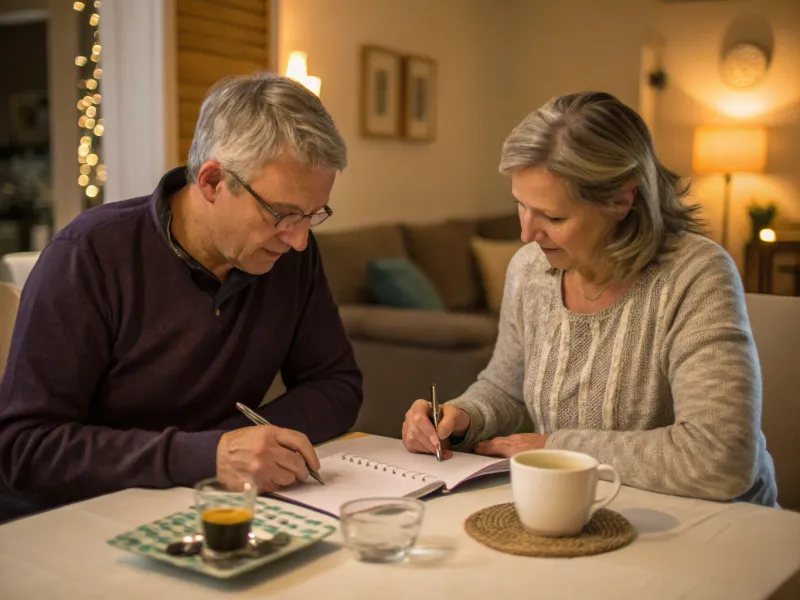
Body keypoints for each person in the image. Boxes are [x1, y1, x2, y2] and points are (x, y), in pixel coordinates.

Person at [0, 72, 363, 523]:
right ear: (211, 182)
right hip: (71, 521)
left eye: (313, 215)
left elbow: (337, 385)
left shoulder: (288, 257)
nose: (299, 241)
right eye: (283, 214)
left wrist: (231, 446)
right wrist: (205, 455)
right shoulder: (89, 256)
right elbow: (25, 448)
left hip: (203, 506)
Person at [402, 91, 778, 506]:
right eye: (520, 207)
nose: (527, 234)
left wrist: (558, 449)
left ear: (622, 199)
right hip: (583, 510)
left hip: (717, 528)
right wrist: (461, 416)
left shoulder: (696, 275)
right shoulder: (529, 269)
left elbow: (720, 457)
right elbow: (504, 387)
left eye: (554, 217)